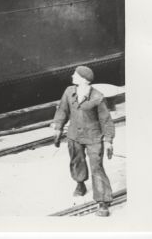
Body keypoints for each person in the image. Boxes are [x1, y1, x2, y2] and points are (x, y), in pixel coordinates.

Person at [51, 65, 115, 217]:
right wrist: (58, 128)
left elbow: (106, 120)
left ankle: (103, 200)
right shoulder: (69, 91)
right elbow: (62, 110)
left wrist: (108, 140)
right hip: (74, 136)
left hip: (93, 137)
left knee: (96, 167)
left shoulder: (97, 97)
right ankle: (80, 183)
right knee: (76, 161)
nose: (72, 76)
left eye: (76, 74)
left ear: (84, 80)